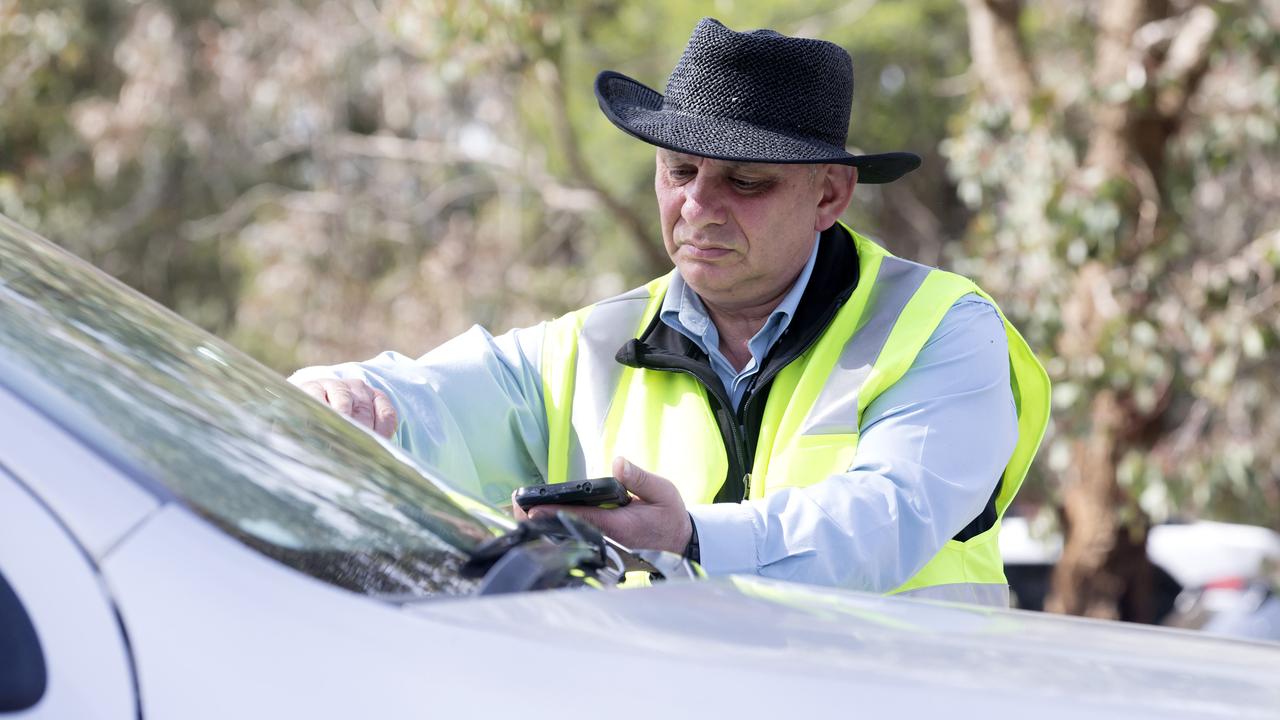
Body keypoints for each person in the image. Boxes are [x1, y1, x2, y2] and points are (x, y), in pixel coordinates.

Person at [290, 18, 1050, 606]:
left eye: (744, 182)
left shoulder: (944, 327)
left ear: (829, 195)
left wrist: (690, 538)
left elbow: (888, 517)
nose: (696, 205)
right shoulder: (591, 342)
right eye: (678, 170)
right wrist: (347, 392)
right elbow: (432, 401)